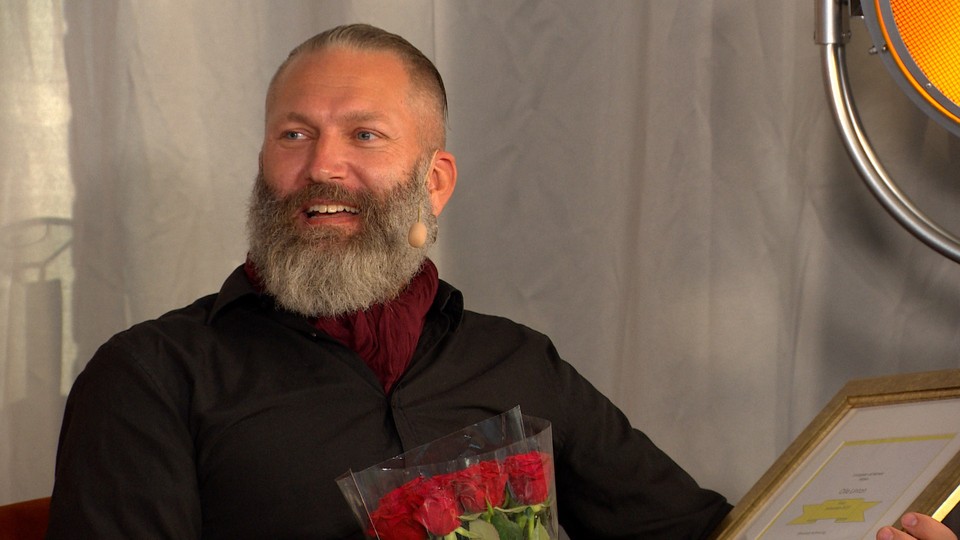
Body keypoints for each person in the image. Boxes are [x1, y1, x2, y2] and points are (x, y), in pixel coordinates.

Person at [45, 23, 956, 540]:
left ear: (434, 182)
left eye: (365, 135)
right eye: (294, 135)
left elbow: (692, 534)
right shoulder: (152, 376)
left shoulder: (517, 363)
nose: (321, 166)